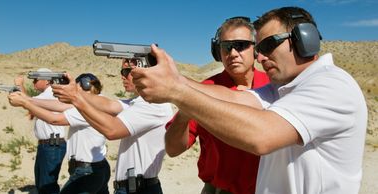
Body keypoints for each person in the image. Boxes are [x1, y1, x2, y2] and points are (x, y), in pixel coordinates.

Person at [130, 6, 368, 194]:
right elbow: (236, 98)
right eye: (260, 47)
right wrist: (174, 81)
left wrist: (178, 92)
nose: (261, 56)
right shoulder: (284, 89)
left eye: (268, 45)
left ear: (304, 39)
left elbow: (260, 136)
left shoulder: (330, 85)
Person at [165, 17, 269, 194]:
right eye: (226, 47)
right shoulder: (203, 90)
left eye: (241, 45)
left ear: (256, 49)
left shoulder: (275, 87)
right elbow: (173, 149)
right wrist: (185, 113)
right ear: (217, 52)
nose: (233, 53)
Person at [51, 59, 173, 194]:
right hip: (134, 187)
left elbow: (112, 130)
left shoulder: (153, 104)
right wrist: (77, 93)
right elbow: (108, 105)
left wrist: (76, 97)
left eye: (127, 71)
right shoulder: (138, 102)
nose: (122, 76)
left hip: (138, 188)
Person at [9, 73, 111, 194]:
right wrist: (28, 100)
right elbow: (59, 106)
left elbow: (54, 119)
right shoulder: (97, 103)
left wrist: (25, 103)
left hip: (86, 170)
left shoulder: (88, 108)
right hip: (97, 168)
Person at [13, 68, 66, 194]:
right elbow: (29, 105)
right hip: (48, 145)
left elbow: (26, 101)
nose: (33, 83)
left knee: (47, 186)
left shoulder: (51, 93)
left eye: (36, 79)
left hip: (52, 145)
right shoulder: (45, 95)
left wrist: (19, 85)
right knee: (43, 184)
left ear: (47, 81)